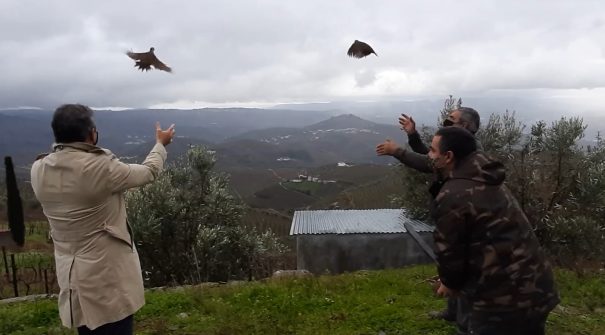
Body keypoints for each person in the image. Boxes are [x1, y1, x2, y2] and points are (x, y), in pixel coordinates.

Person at [30, 104, 176, 334]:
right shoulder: (101, 168)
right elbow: (149, 171)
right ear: (91, 133)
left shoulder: (38, 169)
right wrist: (160, 144)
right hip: (107, 280)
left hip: (72, 278)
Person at [428, 126, 559, 335]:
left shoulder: (454, 195)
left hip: (503, 299)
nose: (429, 155)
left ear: (448, 156)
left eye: (433, 150)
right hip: (537, 285)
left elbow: (450, 252)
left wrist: (449, 283)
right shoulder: (486, 177)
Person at [376, 107, 481, 333]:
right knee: (454, 263)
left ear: (466, 128)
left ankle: (466, 321)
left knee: (464, 269)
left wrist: (397, 151)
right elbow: (431, 156)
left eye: (450, 120)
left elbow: (427, 163)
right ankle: (453, 312)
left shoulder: (467, 156)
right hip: (453, 221)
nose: (444, 123)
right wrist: (413, 135)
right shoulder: (457, 151)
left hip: (463, 227)